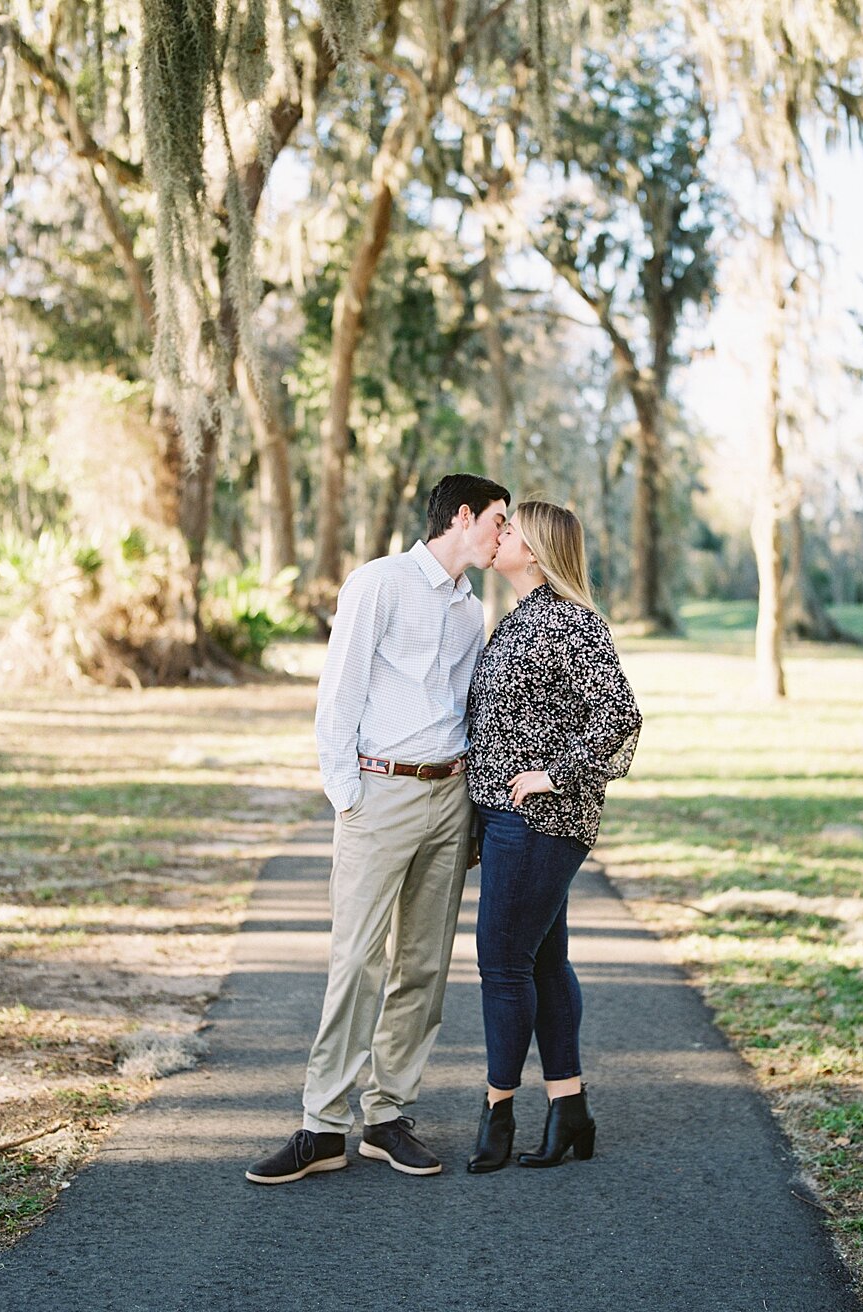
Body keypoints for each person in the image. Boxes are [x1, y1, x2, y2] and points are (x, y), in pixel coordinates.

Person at [246, 474, 509, 1185]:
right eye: (496, 519)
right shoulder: (378, 584)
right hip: (378, 794)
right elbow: (338, 693)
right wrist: (347, 797)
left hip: (448, 798)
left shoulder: (469, 609)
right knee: (356, 961)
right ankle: (321, 1125)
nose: (501, 534)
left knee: (421, 965)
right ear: (460, 515)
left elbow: (467, 710)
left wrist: (474, 807)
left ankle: (387, 1115)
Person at [463, 501, 641, 1173]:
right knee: (540, 961)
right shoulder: (517, 619)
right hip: (508, 821)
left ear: (534, 551)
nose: (496, 534)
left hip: (539, 821)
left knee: (501, 963)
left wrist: (552, 775)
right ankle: (569, 1112)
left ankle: (496, 1114)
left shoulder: (570, 620)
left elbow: (618, 713)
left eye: (508, 529)